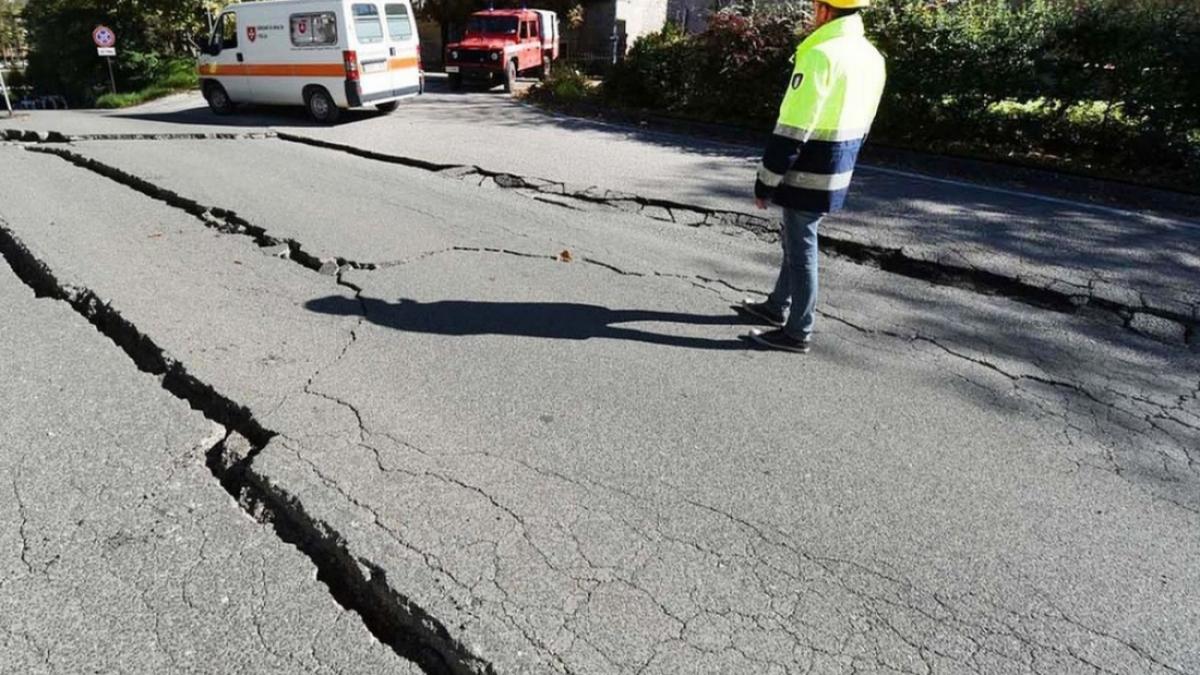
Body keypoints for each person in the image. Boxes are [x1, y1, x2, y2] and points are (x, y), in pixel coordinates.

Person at [738, 0, 886, 353]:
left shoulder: (821, 54)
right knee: (796, 237)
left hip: (809, 167)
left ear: (824, 10)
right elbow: (865, 123)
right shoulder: (872, 57)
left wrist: (767, 180)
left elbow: (793, 127)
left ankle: (797, 330)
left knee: (801, 245)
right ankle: (776, 307)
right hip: (840, 163)